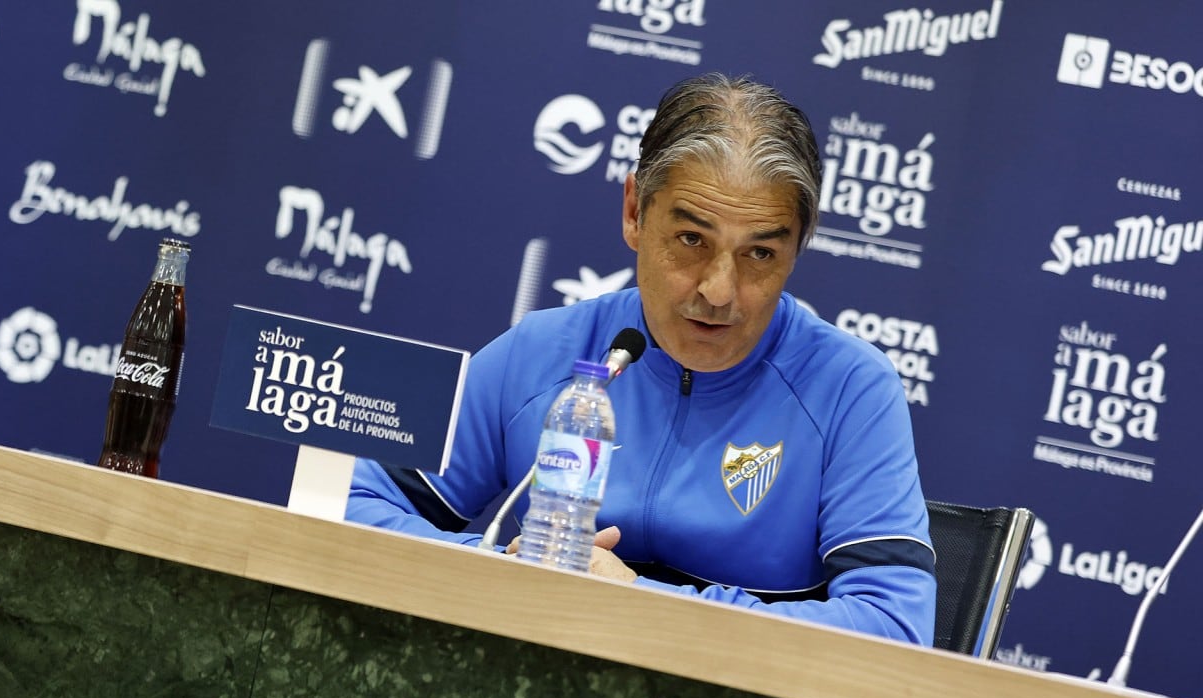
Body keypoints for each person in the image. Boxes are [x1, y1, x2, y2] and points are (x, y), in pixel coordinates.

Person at [345, 73, 936, 645]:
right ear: (635, 212)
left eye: (759, 254)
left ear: (799, 247)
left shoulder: (851, 390)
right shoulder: (544, 352)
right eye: (691, 240)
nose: (719, 291)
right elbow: (350, 505)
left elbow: (894, 626)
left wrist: (640, 604)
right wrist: (502, 568)